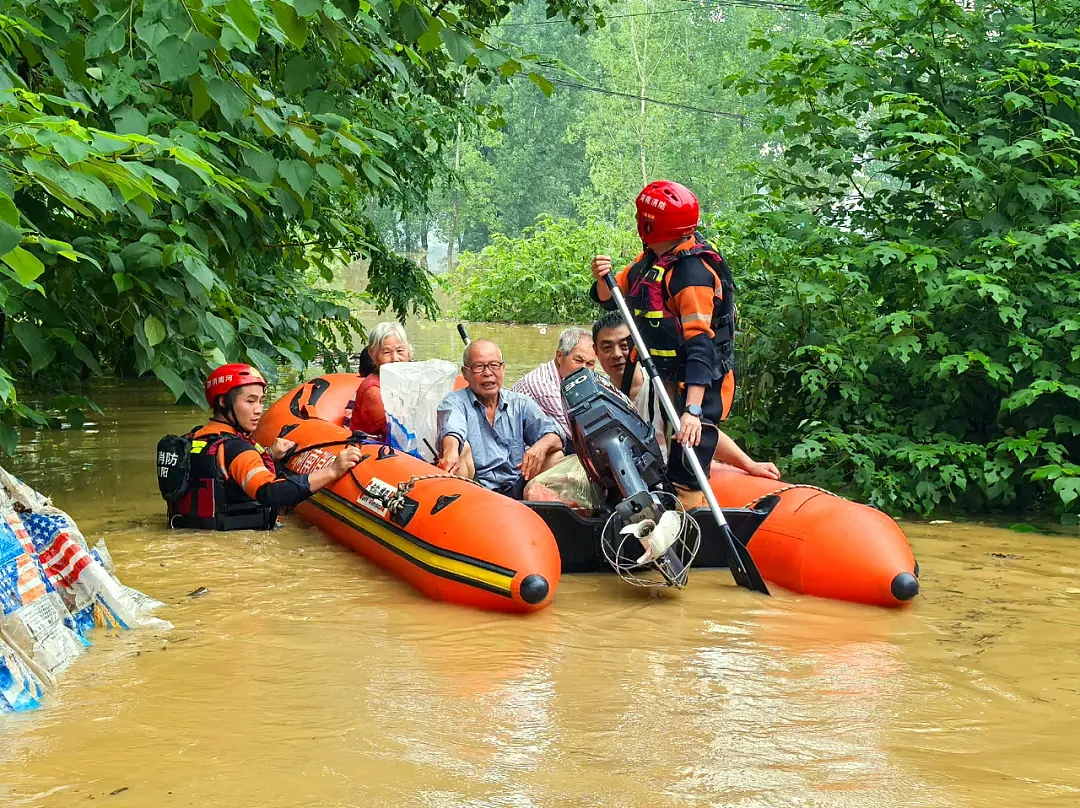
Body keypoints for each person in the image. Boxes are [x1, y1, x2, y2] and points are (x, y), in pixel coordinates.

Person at [590, 180, 763, 509]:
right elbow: (608, 297)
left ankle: (688, 527)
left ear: (649, 224)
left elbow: (701, 346)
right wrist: (603, 277)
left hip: (703, 383)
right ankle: (663, 508)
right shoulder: (652, 260)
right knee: (667, 452)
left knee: (687, 462)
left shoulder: (690, 275)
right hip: (667, 376)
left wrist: (693, 411)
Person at [167, 363, 362, 530]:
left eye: (261, 401)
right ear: (222, 402)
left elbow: (223, 477)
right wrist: (332, 471)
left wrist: (268, 455)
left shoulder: (193, 439)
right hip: (235, 550)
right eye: (250, 401)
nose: (259, 409)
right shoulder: (238, 449)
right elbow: (270, 492)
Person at [592, 312, 780, 479]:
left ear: (636, 347)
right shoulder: (597, 396)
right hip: (627, 481)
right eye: (607, 348)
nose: (617, 354)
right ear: (596, 352)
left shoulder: (662, 387)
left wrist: (749, 464)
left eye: (624, 345)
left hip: (667, 478)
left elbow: (698, 431)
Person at [436, 339, 565, 499]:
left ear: (503, 369)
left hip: (516, 484)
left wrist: (540, 447)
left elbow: (556, 435)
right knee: (463, 449)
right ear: (465, 373)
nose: (488, 373)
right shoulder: (455, 401)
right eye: (479, 367)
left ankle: (540, 513)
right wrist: (450, 452)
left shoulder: (520, 403)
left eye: (494, 365)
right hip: (476, 488)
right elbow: (452, 429)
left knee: (555, 455)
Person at [510, 326, 596, 438]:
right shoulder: (544, 386)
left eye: (590, 364)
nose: (584, 369)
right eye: (578, 360)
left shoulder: (571, 378)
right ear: (559, 356)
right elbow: (575, 434)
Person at [349, 322, 413, 440]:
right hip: (375, 451)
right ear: (373, 355)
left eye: (400, 351)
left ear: (408, 352)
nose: (395, 359)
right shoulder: (373, 391)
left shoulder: (410, 380)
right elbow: (399, 437)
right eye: (387, 352)